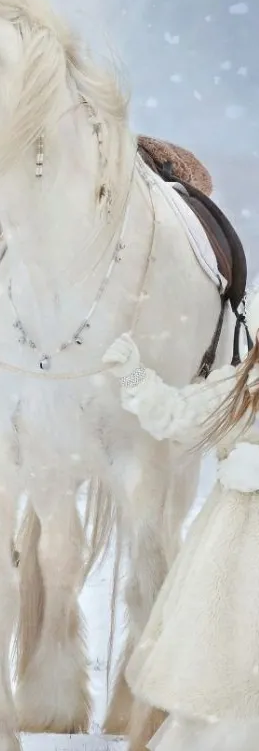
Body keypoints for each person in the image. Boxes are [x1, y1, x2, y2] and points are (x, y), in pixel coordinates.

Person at [102, 292, 259, 751]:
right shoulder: (240, 386)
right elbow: (176, 414)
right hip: (231, 547)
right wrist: (132, 372)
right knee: (224, 652)